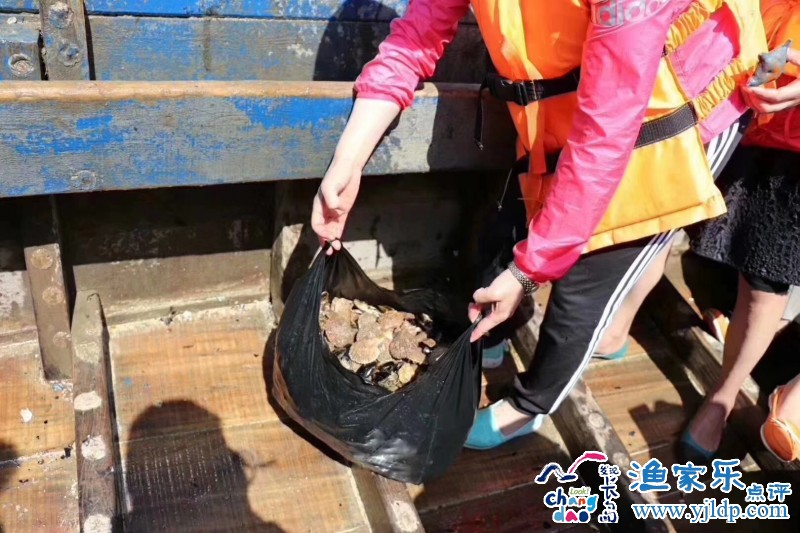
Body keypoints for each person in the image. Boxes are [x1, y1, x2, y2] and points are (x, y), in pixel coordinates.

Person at [311, 0, 767, 450]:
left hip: (683, 102)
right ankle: (501, 332)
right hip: (575, 95)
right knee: (510, 224)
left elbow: (604, 138)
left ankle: (530, 405)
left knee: (594, 273)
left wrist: (530, 270)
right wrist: (348, 160)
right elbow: (416, 38)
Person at [680, 0, 800, 463]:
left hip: (787, 139)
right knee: (744, 265)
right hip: (740, 111)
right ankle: (726, 390)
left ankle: (732, 397)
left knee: (766, 281)